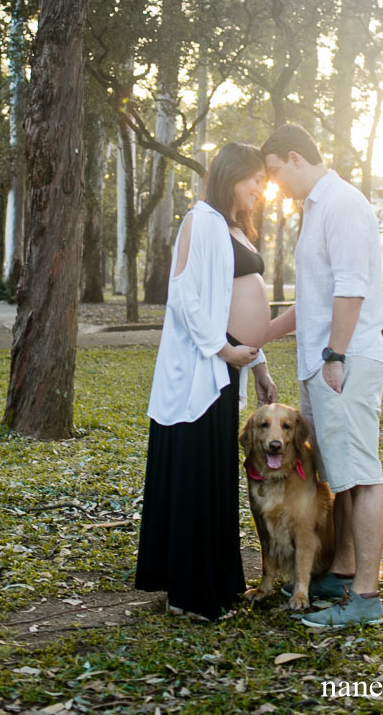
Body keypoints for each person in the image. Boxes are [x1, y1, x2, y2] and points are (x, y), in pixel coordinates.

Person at [135, 142, 281, 621]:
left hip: (232, 366)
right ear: (228, 176)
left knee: (218, 474)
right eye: (253, 179)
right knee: (198, 474)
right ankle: (190, 594)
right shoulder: (200, 220)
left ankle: (218, 581)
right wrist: (223, 350)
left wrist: (257, 366)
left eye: (263, 181)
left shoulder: (233, 226)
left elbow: (241, 301)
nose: (260, 188)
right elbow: (184, 296)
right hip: (204, 366)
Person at [261, 123, 383, 629]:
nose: (275, 184)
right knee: (343, 477)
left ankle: (366, 598)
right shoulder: (314, 210)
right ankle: (343, 572)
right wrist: (262, 336)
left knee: (363, 474)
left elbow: (351, 290)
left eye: (274, 173)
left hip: (346, 359)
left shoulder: (343, 204)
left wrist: (335, 355)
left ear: (295, 157)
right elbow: (313, 299)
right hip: (323, 363)